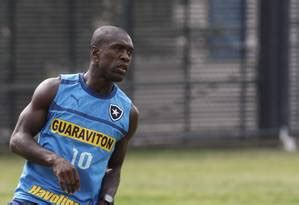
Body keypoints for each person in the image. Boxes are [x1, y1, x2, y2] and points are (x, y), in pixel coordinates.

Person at [9, 25, 139, 205]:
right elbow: (17, 139)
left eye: (129, 52)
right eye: (118, 49)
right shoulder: (54, 89)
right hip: (32, 198)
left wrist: (107, 200)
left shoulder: (128, 113)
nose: (125, 57)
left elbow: (114, 167)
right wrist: (55, 160)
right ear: (95, 53)